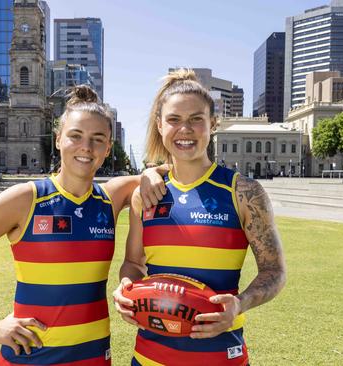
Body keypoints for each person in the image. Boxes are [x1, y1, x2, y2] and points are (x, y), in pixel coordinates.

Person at [0, 85, 167, 366]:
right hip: (30, 357)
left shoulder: (109, 198)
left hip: (93, 357)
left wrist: (150, 172)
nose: (86, 148)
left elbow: (165, 174)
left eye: (97, 139)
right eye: (75, 136)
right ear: (58, 140)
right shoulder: (27, 198)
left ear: (107, 147)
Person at [113, 69, 287, 365]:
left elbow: (274, 271)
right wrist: (126, 289)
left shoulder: (243, 192)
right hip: (149, 357)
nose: (185, 129)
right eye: (174, 120)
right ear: (159, 125)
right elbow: (132, 263)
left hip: (220, 356)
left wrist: (239, 304)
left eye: (196, 119)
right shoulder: (147, 195)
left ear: (212, 124)